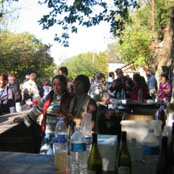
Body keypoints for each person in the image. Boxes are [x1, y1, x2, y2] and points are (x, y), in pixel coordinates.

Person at [14, 75, 73, 154]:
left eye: (59, 85)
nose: (56, 87)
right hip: (48, 134)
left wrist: (66, 117)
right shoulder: (49, 97)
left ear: (64, 86)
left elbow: (73, 118)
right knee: (44, 158)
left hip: (61, 137)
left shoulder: (70, 99)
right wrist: (23, 119)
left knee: (59, 160)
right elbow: (38, 110)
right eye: (54, 85)